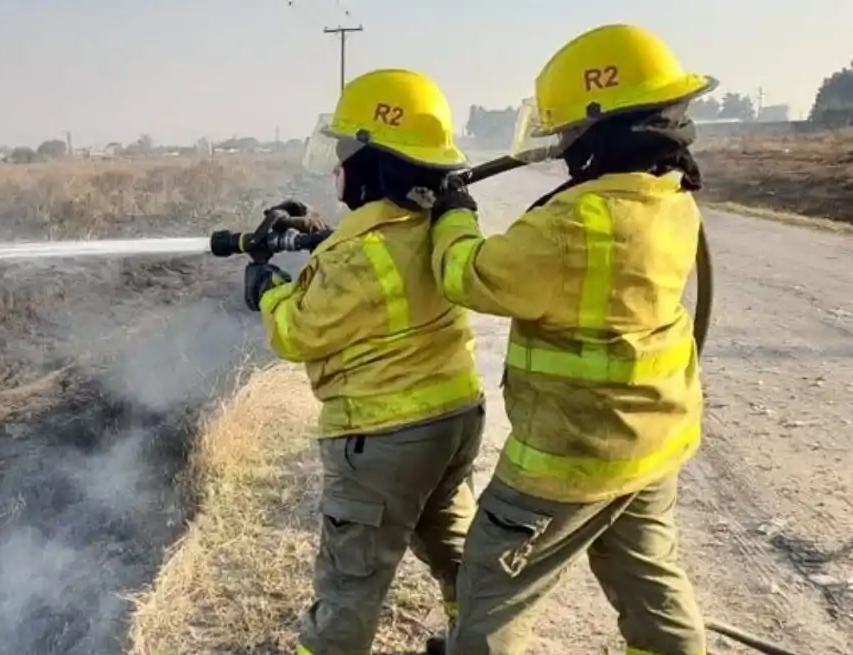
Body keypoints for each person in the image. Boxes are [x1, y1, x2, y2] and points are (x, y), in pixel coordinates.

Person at [428, 23, 714, 655]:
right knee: (651, 586)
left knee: (490, 589)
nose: (563, 147)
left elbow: (467, 274)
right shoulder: (670, 197)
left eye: (570, 134)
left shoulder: (575, 221)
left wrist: (453, 216)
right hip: (650, 446)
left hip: (569, 456)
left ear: (600, 128)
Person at [242, 68, 487, 655]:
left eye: (348, 152)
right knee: (454, 544)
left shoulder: (356, 257)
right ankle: (474, 640)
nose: (339, 167)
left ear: (374, 165)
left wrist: (266, 289)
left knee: (351, 582)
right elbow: (382, 268)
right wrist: (319, 237)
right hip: (453, 419)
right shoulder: (436, 225)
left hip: (382, 436)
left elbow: (297, 332)